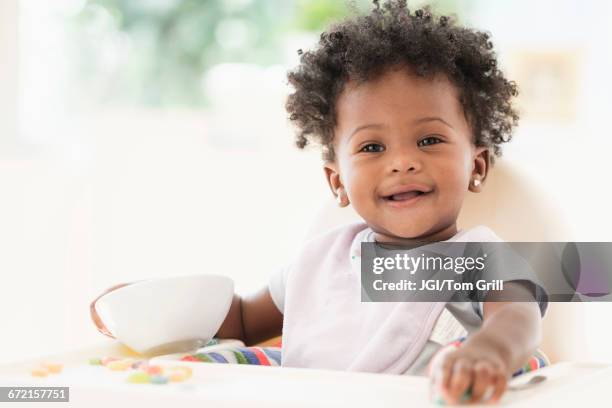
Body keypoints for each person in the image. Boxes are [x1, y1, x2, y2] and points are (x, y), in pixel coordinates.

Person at [91, 1, 547, 404]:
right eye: (372, 148)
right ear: (338, 181)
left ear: (477, 167)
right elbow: (242, 321)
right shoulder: (321, 261)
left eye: (429, 140)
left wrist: (488, 353)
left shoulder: (481, 258)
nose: (403, 162)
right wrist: (147, 305)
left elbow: (517, 320)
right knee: (211, 361)